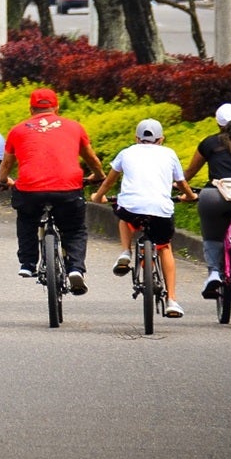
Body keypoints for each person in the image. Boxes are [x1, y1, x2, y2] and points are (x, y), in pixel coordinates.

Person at [0, 88, 105, 293]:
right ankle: (75, 269)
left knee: (27, 220)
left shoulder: (17, 130)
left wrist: (2, 181)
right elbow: (91, 159)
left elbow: (7, 163)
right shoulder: (75, 127)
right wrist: (98, 176)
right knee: (74, 230)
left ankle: (28, 264)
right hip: (68, 189)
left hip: (30, 189)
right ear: (56, 107)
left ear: (31, 109)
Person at [92, 119, 196, 319]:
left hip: (131, 209)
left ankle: (125, 252)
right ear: (161, 139)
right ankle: (172, 300)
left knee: (122, 213)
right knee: (165, 247)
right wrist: (190, 197)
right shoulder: (169, 154)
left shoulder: (127, 152)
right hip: (161, 211)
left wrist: (97, 197)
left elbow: (108, 182)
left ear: (136, 138)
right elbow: (181, 183)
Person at [183, 103, 231, 300]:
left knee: (212, 236)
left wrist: (180, 188)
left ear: (218, 123)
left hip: (216, 196)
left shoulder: (209, 143)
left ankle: (214, 273)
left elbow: (188, 173)